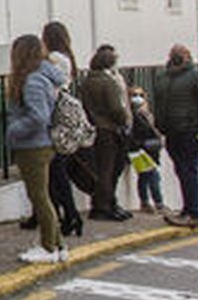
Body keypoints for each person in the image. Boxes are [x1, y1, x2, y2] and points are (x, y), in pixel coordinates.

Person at [6, 34, 67, 264]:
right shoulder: (43, 77)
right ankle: (58, 245)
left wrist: (14, 129)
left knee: (39, 197)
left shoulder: (32, 81)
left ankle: (48, 247)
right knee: (42, 196)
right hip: (39, 144)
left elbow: (39, 116)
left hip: (33, 145)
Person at [152, 44, 198, 228]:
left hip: (191, 131)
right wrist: (159, 125)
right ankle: (187, 209)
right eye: (174, 53)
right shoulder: (163, 77)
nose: (177, 56)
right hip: (171, 131)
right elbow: (159, 102)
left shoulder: (197, 75)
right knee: (181, 171)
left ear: (187, 56)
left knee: (188, 171)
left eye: (180, 54)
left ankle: (193, 213)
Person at [39, 21, 86, 237]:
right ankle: (68, 214)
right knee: (58, 170)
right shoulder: (67, 58)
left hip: (53, 115)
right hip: (62, 116)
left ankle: (69, 214)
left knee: (56, 171)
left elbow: (48, 85)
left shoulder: (54, 59)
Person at [79, 44, 133, 222]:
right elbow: (116, 108)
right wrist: (123, 121)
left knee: (101, 169)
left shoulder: (87, 81)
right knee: (108, 170)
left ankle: (105, 204)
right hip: (109, 129)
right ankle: (104, 206)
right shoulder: (107, 82)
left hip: (94, 127)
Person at [127, 86, 167, 213]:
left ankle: (145, 202)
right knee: (153, 176)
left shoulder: (145, 114)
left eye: (140, 95)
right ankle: (158, 203)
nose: (137, 98)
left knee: (144, 177)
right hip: (140, 150)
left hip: (146, 149)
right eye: (134, 95)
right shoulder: (133, 115)